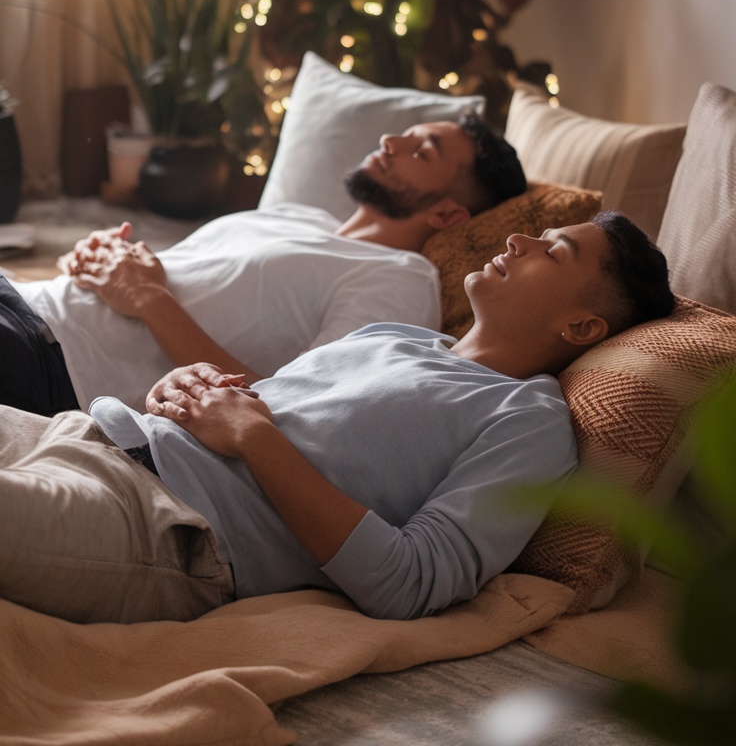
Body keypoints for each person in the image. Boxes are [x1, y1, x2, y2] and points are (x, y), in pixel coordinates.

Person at [0, 212, 675, 626]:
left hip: (166, 529)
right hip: (94, 434)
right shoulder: (401, 338)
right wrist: (186, 389)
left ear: (582, 324)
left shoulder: (528, 421)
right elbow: (264, 408)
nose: (520, 238)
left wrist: (256, 437)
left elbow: (413, 583)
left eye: (553, 252)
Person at [1, 113, 526, 415]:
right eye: (407, 132)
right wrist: (98, 261)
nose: (392, 140)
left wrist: (149, 298)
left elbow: (299, 410)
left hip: (59, 367)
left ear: (448, 212)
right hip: (28, 300)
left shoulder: (399, 277)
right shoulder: (302, 216)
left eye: (423, 150)